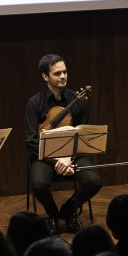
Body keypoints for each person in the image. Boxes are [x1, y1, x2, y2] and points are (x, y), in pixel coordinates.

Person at [24, 54, 102, 235]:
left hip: (72, 155)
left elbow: (83, 136)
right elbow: (31, 140)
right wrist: (55, 161)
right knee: (38, 184)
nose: (63, 77)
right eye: (57, 73)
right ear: (45, 76)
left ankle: (68, 210)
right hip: (45, 158)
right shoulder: (34, 103)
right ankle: (53, 214)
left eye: (65, 72)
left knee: (94, 181)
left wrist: (68, 158)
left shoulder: (80, 100)